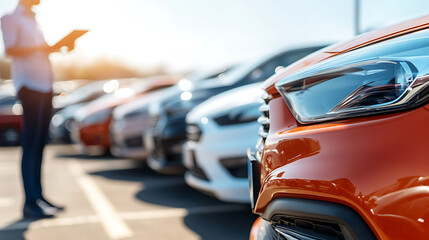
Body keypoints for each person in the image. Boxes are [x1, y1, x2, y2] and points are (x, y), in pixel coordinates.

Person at [1, 0, 75, 219]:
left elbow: (39, 51)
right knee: (30, 143)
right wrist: (44, 48)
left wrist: (56, 48)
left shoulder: (35, 20)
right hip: (29, 86)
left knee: (40, 144)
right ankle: (30, 202)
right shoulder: (10, 18)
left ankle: (39, 197)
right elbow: (11, 49)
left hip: (45, 86)